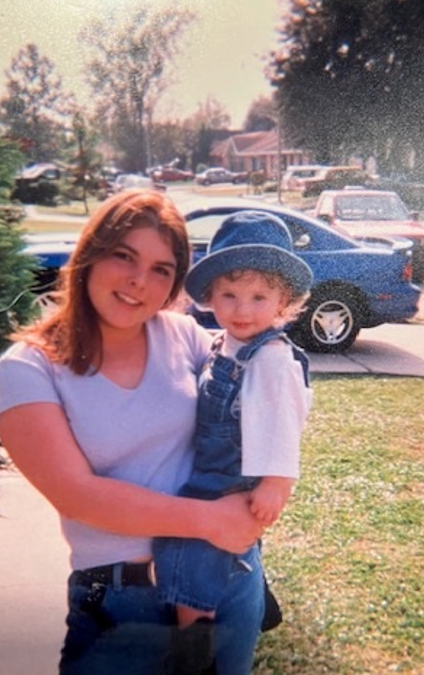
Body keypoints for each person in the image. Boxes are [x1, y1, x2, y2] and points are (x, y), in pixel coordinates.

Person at [0, 190, 269, 675]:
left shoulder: (182, 335)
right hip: (119, 605)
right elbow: (79, 495)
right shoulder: (29, 369)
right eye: (125, 256)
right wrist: (211, 520)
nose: (140, 281)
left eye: (161, 269)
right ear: (91, 254)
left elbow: (257, 387)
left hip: (223, 580)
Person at [152, 210, 315, 675]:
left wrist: (276, 484)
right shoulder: (225, 344)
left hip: (228, 484)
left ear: (283, 301)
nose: (243, 310)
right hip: (208, 477)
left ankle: (194, 644)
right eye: (230, 295)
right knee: (187, 551)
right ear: (211, 297)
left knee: (193, 556)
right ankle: (238, 604)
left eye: (259, 297)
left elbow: (285, 423)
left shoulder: (272, 359)